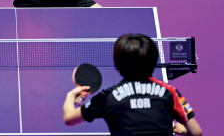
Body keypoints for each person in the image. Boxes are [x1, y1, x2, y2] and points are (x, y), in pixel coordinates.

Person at [63, 34, 202, 136]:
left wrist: (72, 96)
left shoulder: (108, 97)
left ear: (117, 65)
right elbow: (196, 132)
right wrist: (182, 130)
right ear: (154, 62)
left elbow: (69, 118)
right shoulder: (170, 92)